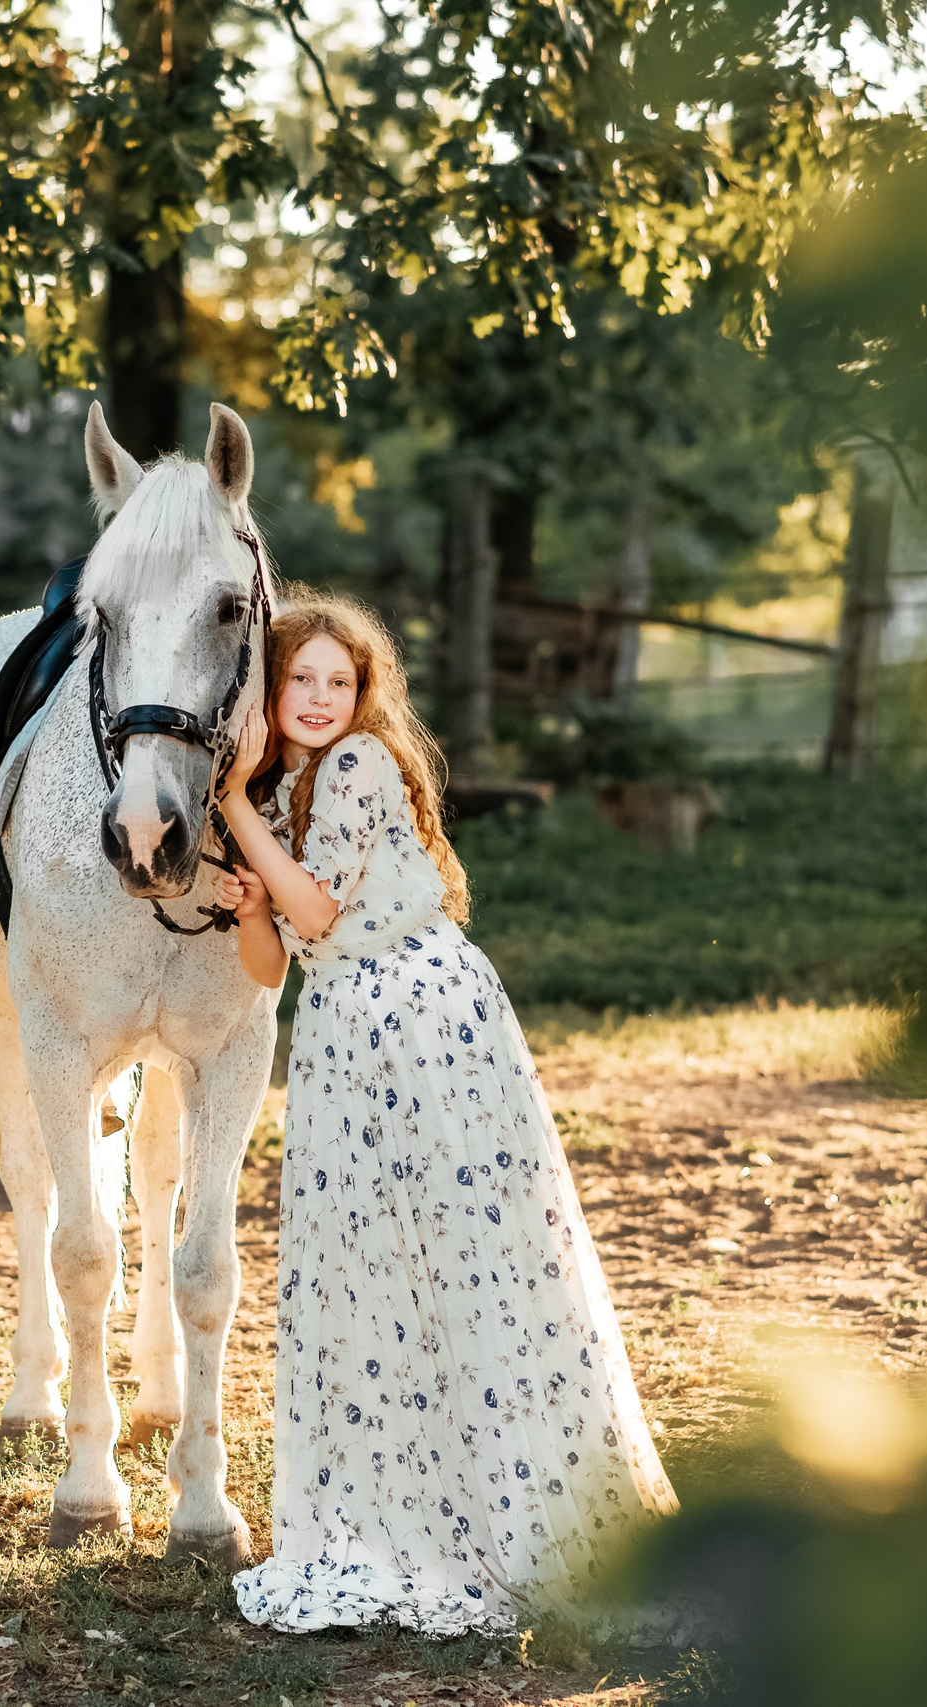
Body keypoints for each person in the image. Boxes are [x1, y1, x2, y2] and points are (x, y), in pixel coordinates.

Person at [212, 593, 679, 1637]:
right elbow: (273, 961)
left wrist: (231, 798)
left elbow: (321, 908)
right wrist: (251, 904)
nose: (320, 698)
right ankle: (401, 1510)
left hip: (421, 1019)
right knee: (371, 1266)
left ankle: (509, 1509)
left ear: (363, 695)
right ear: (270, 691)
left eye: (340, 681)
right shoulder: (285, 791)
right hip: (343, 1028)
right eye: (301, 680)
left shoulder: (356, 766)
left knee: (467, 1256)